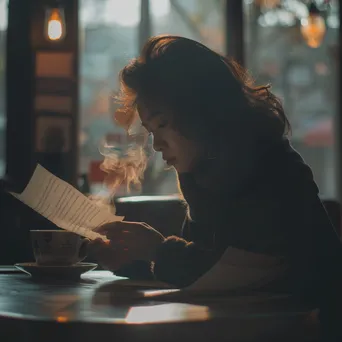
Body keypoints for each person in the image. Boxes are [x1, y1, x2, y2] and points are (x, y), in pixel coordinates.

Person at [90, 35, 342, 337]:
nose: (156, 145)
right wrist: (131, 260)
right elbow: (199, 275)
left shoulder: (269, 167)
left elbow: (242, 274)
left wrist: (156, 248)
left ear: (199, 113)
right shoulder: (203, 172)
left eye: (162, 124)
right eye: (150, 130)